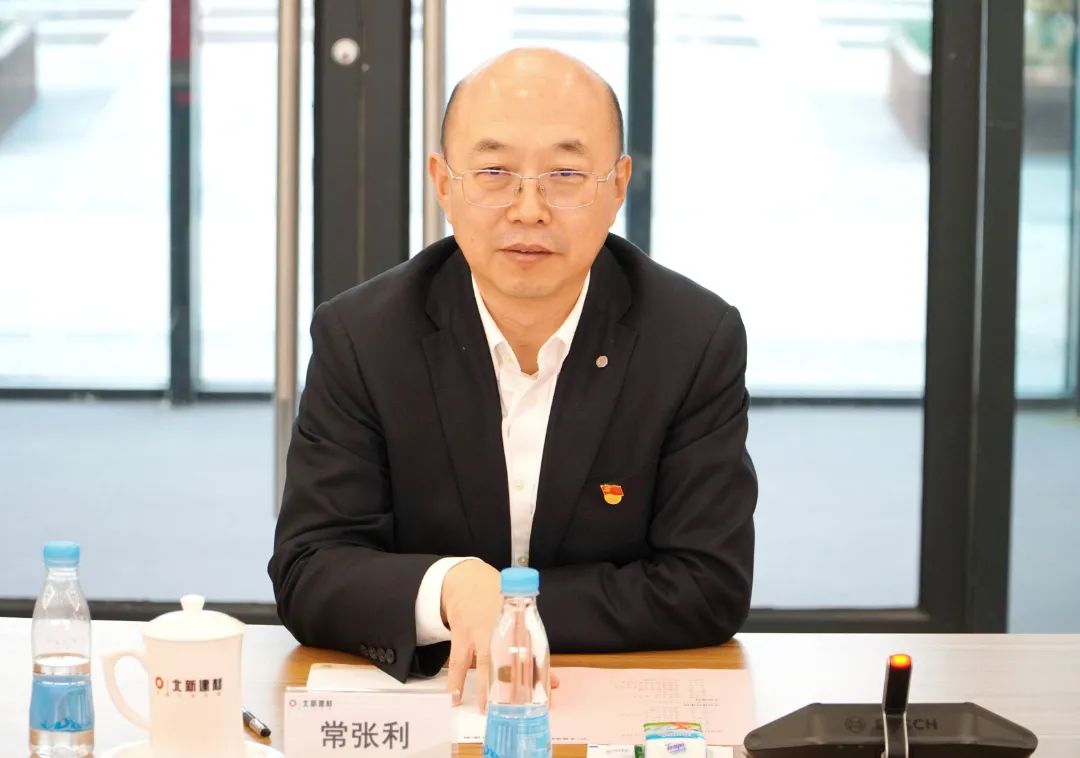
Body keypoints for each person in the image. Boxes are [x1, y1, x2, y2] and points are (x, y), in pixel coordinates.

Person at [268, 47, 757, 710]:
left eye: (565, 173)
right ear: (444, 184)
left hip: (602, 706)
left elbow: (707, 584)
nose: (529, 209)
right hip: (434, 712)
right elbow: (310, 568)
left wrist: (504, 608)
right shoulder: (363, 338)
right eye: (495, 172)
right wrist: (448, 590)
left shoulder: (692, 339)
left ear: (617, 186)